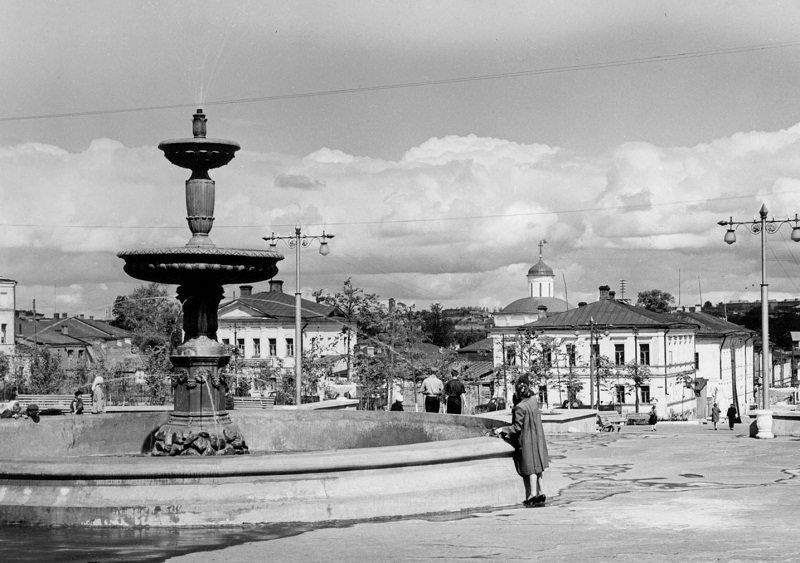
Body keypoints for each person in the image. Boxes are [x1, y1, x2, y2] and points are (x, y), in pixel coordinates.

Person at [494, 375, 549, 507]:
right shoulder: (534, 401)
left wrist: (502, 429)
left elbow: (516, 427)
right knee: (538, 467)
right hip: (538, 438)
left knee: (530, 469)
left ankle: (532, 495)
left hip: (527, 440)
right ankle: (541, 493)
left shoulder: (520, 407)